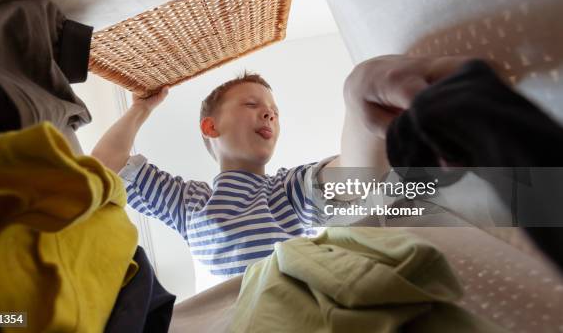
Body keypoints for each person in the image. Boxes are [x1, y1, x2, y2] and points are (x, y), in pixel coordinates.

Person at [92, 54, 480, 287]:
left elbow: (352, 178)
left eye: (274, 111)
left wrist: (361, 99)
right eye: (251, 104)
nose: (269, 113)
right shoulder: (187, 202)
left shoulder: (286, 190)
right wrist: (142, 107)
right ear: (210, 127)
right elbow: (105, 164)